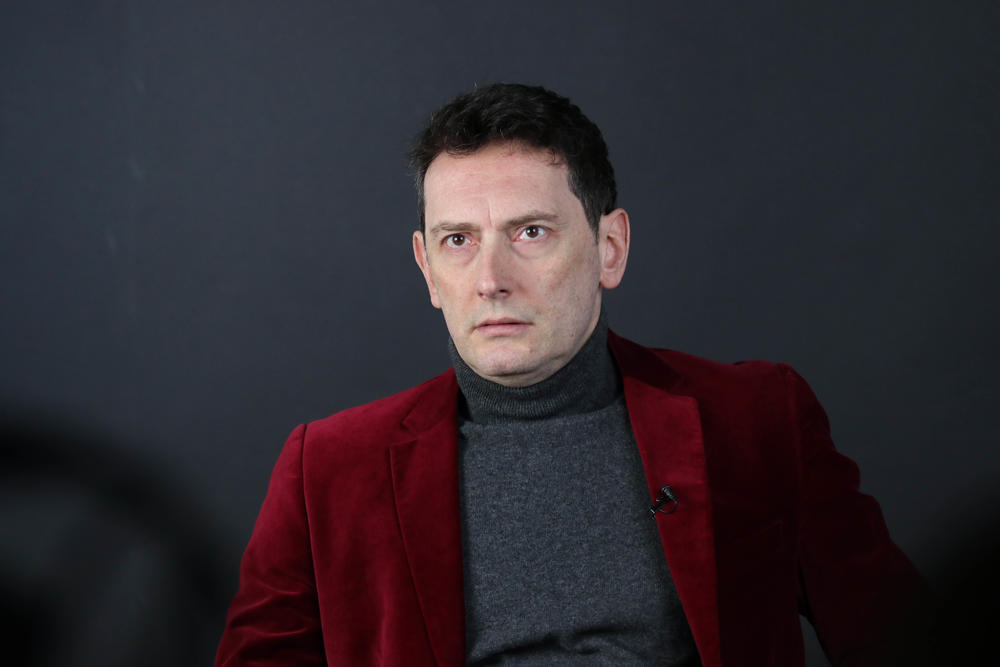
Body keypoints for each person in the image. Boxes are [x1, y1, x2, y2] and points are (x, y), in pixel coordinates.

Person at [215, 83, 926, 666]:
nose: (490, 279)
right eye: (458, 240)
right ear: (427, 269)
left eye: (531, 232)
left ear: (609, 247)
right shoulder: (326, 471)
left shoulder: (756, 420)